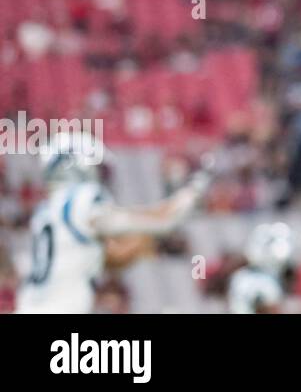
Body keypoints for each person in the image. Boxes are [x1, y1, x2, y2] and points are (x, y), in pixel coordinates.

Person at [16, 133, 209, 314]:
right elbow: (163, 220)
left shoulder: (47, 210)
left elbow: (106, 259)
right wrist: (194, 189)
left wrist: (142, 244)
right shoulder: (80, 200)